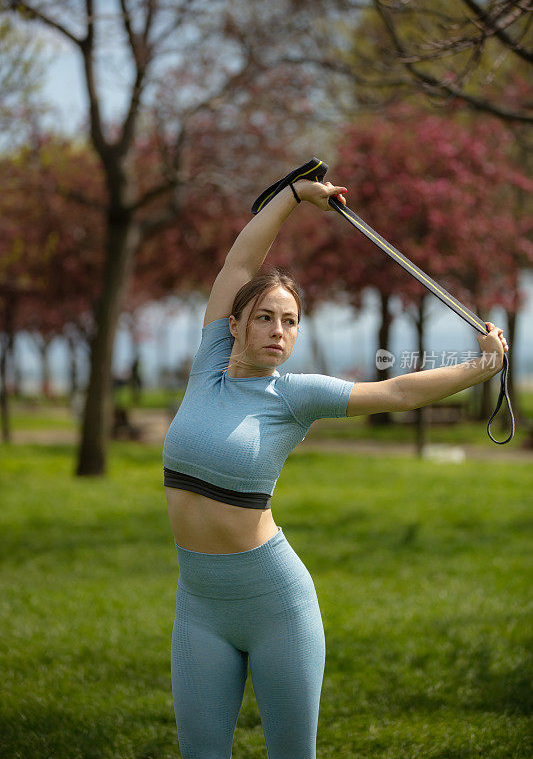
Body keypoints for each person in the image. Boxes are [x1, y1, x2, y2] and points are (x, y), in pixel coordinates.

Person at [162, 178, 508, 759]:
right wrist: (294, 196)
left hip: (275, 602)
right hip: (199, 605)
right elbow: (241, 261)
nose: (279, 331)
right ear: (234, 325)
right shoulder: (208, 368)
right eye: (266, 317)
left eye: (291, 322)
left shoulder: (295, 395)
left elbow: (396, 392)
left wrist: (480, 368)